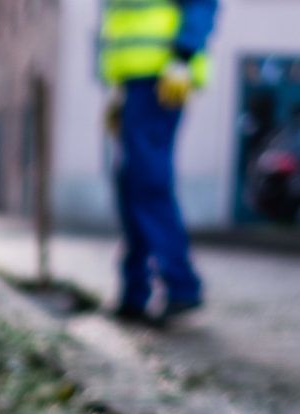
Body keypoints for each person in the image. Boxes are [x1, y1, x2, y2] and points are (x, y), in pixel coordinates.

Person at [96, 1, 218, 323]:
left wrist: (182, 57)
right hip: (135, 84)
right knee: (131, 184)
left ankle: (181, 285)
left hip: (161, 79)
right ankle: (135, 292)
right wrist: (120, 92)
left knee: (147, 183)